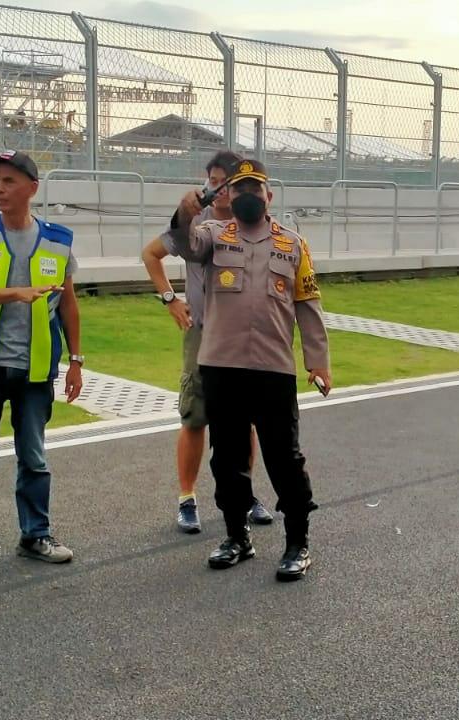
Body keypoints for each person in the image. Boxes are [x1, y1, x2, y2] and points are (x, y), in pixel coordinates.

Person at [172, 157, 332, 582]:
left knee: (284, 457)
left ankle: (297, 543)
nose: (247, 196)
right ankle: (236, 537)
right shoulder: (212, 235)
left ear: (268, 196)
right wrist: (185, 212)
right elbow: (183, 244)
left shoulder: (293, 245)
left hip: (272, 368)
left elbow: (308, 305)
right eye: (239, 189)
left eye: (254, 189)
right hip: (220, 367)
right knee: (227, 458)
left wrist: (317, 361)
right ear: (229, 195)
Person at [0, 150, 85, 582]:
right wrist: (15, 292)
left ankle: (36, 536)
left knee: (35, 460)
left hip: (35, 372)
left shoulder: (59, 240)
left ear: (32, 188)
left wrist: (76, 360)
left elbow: (68, 303)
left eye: (8, 181)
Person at [139, 150, 273, 533]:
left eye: (227, 182)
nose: (220, 189)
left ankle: (244, 494)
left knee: (244, 420)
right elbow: (151, 254)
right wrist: (170, 299)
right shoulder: (196, 223)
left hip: (244, 335)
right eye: (214, 181)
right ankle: (187, 498)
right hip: (202, 332)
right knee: (195, 417)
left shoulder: (257, 223)